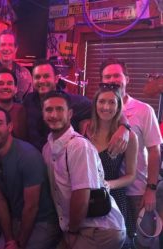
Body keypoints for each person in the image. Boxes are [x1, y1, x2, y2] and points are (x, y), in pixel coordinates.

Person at [42, 91, 126, 249]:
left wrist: (72, 232)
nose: (54, 115)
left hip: (100, 228)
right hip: (78, 227)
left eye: (60, 109)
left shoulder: (79, 146)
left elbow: (82, 195)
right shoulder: (47, 149)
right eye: (48, 110)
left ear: (70, 114)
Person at [100, 58, 162, 248]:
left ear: (127, 79)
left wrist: (151, 189)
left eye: (116, 75)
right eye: (107, 76)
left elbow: (154, 150)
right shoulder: (99, 109)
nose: (112, 80)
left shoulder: (144, 110)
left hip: (137, 190)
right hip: (108, 192)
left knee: (144, 241)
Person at [0, 105, 60, 249]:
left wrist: (19, 244)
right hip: (16, 220)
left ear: (9, 127)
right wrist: (10, 238)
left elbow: (31, 207)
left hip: (43, 222)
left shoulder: (28, 156)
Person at [81, 86, 138, 228]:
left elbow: (131, 175)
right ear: (95, 104)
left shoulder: (129, 136)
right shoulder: (83, 128)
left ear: (119, 106)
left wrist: (108, 184)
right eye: (101, 101)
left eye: (112, 102)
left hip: (113, 197)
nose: (106, 107)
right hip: (85, 196)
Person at [0, 67, 27, 140]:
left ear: (16, 89)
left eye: (9, 83)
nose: (5, 87)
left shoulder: (23, 111)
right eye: (1, 83)